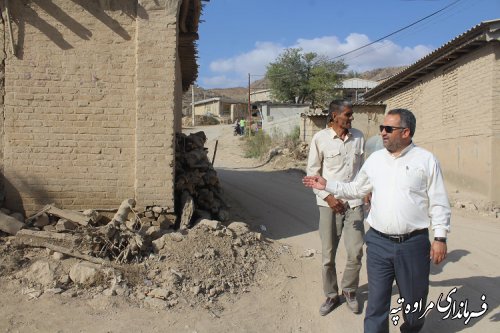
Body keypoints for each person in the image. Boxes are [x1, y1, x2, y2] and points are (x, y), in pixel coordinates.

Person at [303, 109, 451, 332]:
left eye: (388, 129)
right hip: (379, 244)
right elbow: (355, 188)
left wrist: (440, 237)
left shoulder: (426, 160)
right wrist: (328, 185)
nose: (382, 132)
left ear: (406, 132)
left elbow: (439, 201)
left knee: (414, 305)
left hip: (413, 244)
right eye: (382, 128)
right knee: (376, 305)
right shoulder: (375, 160)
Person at [306, 100, 365, 316]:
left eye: (351, 115)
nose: (351, 118)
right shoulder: (320, 139)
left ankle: (349, 291)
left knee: (356, 252)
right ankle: (331, 295)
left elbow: (363, 171)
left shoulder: (358, 136)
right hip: (328, 205)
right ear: (334, 115)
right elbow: (312, 175)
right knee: (328, 255)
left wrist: (366, 191)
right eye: (348, 115)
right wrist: (329, 197)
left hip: (354, 203)